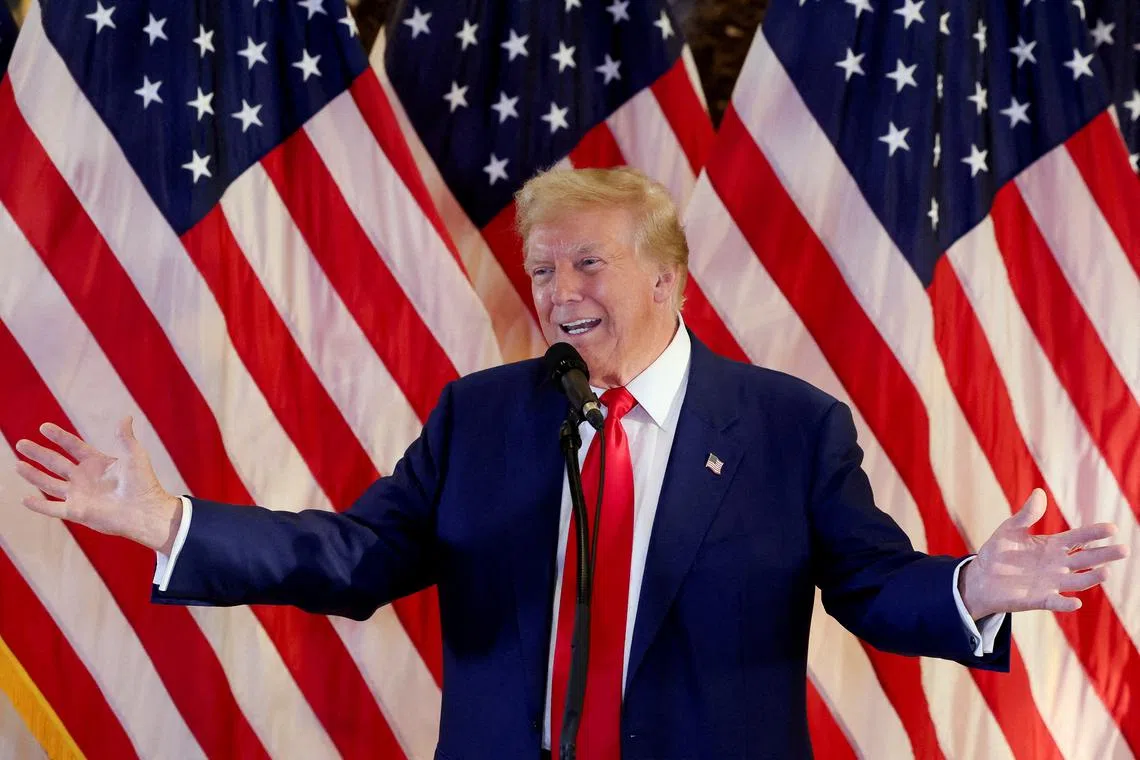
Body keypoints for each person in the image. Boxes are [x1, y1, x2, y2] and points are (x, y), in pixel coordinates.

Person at [14, 168, 1128, 760]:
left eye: (588, 262)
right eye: (542, 269)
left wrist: (971, 587)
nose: (557, 293)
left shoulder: (790, 425)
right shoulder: (484, 414)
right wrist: (174, 521)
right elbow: (355, 555)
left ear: (668, 281)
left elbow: (873, 584)